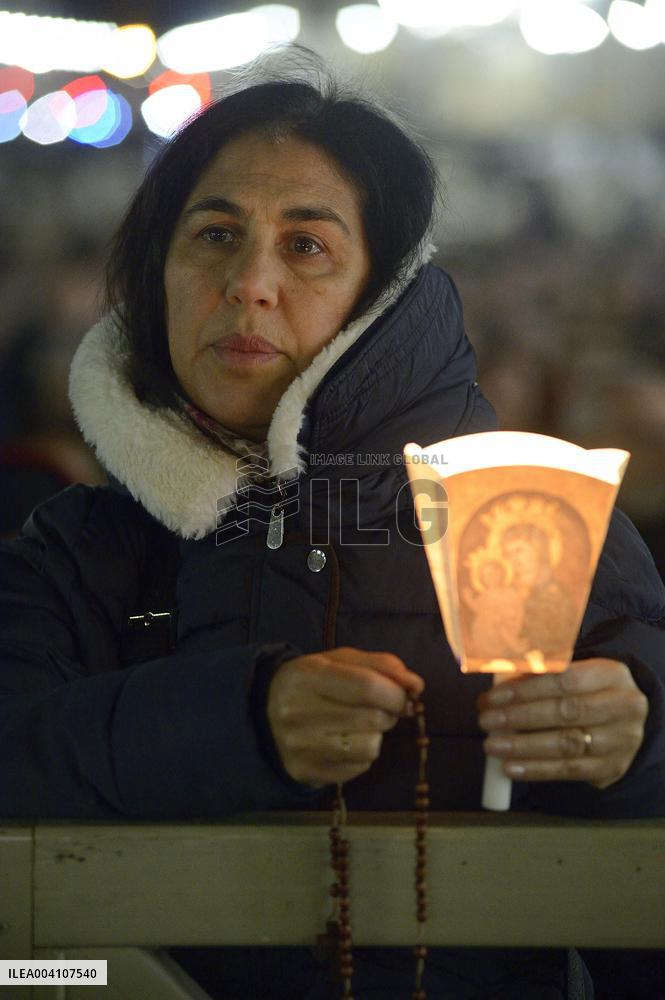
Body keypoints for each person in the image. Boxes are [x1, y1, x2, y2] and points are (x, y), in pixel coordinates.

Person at [1, 56, 664, 999]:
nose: (249, 283)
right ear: (156, 272)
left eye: (306, 246)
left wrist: (634, 738)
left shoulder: (532, 519)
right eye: (214, 235)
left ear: (382, 292)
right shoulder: (75, 552)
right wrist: (235, 725)